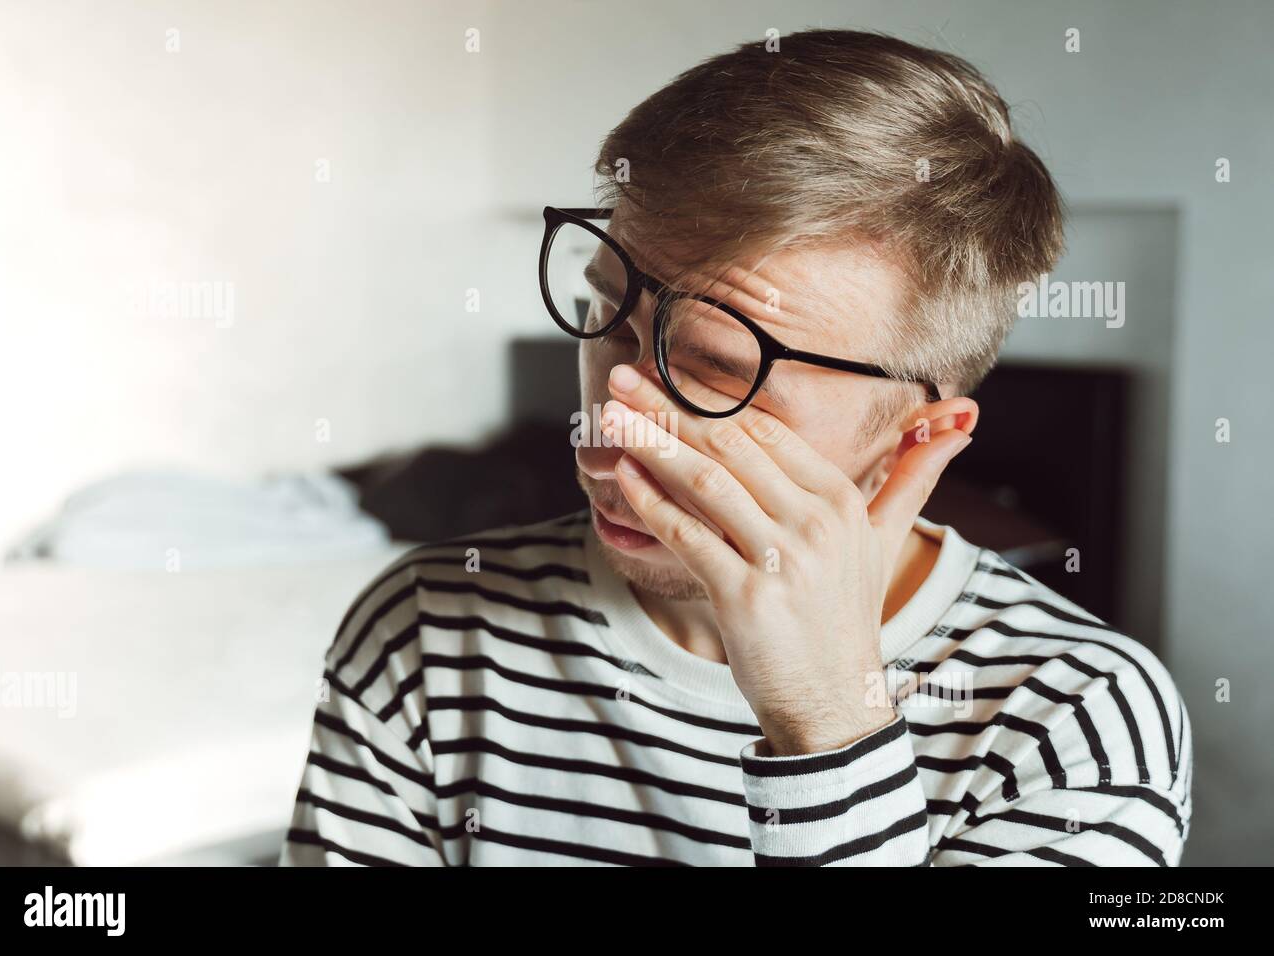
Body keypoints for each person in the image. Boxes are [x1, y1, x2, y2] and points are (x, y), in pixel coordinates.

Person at [281, 29, 1190, 866]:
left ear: (918, 437)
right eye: (607, 317)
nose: (607, 427)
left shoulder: (1081, 719)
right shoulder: (424, 632)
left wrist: (828, 725)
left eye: (718, 369)